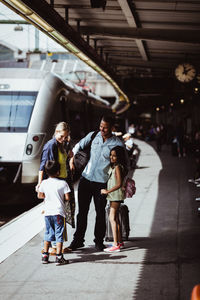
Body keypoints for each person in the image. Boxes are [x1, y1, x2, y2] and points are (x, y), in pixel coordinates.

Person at [69, 115, 129, 251]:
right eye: (101, 126)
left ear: (112, 128)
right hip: (85, 179)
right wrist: (71, 160)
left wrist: (121, 183)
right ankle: (78, 240)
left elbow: (125, 165)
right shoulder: (93, 135)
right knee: (82, 212)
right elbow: (78, 146)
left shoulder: (118, 144)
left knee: (100, 213)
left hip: (101, 183)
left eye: (105, 127)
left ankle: (99, 241)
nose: (101, 129)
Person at [36, 121, 75, 254]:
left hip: (61, 181)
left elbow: (68, 155)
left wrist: (70, 159)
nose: (64, 139)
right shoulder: (51, 145)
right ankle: (51, 246)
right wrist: (40, 183)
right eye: (62, 136)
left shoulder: (61, 144)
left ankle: (57, 245)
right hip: (54, 184)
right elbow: (43, 165)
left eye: (66, 137)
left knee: (59, 214)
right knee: (54, 215)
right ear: (56, 132)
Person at [38, 160, 71, 265]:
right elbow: (67, 198)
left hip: (47, 212)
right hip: (58, 213)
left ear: (47, 172)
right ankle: (59, 257)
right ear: (58, 172)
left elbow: (40, 195)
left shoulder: (44, 183)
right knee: (59, 234)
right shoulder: (63, 183)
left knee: (48, 233)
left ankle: (45, 256)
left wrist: (47, 196)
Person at [101, 146, 127, 253]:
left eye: (114, 156)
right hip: (114, 195)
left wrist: (107, 191)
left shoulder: (117, 167)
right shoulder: (115, 166)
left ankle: (115, 244)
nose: (112, 157)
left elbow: (119, 183)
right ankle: (119, 242)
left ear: (119, 157)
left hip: (115, 195)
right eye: (111, 155)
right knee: (115, 218)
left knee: (112, 218)